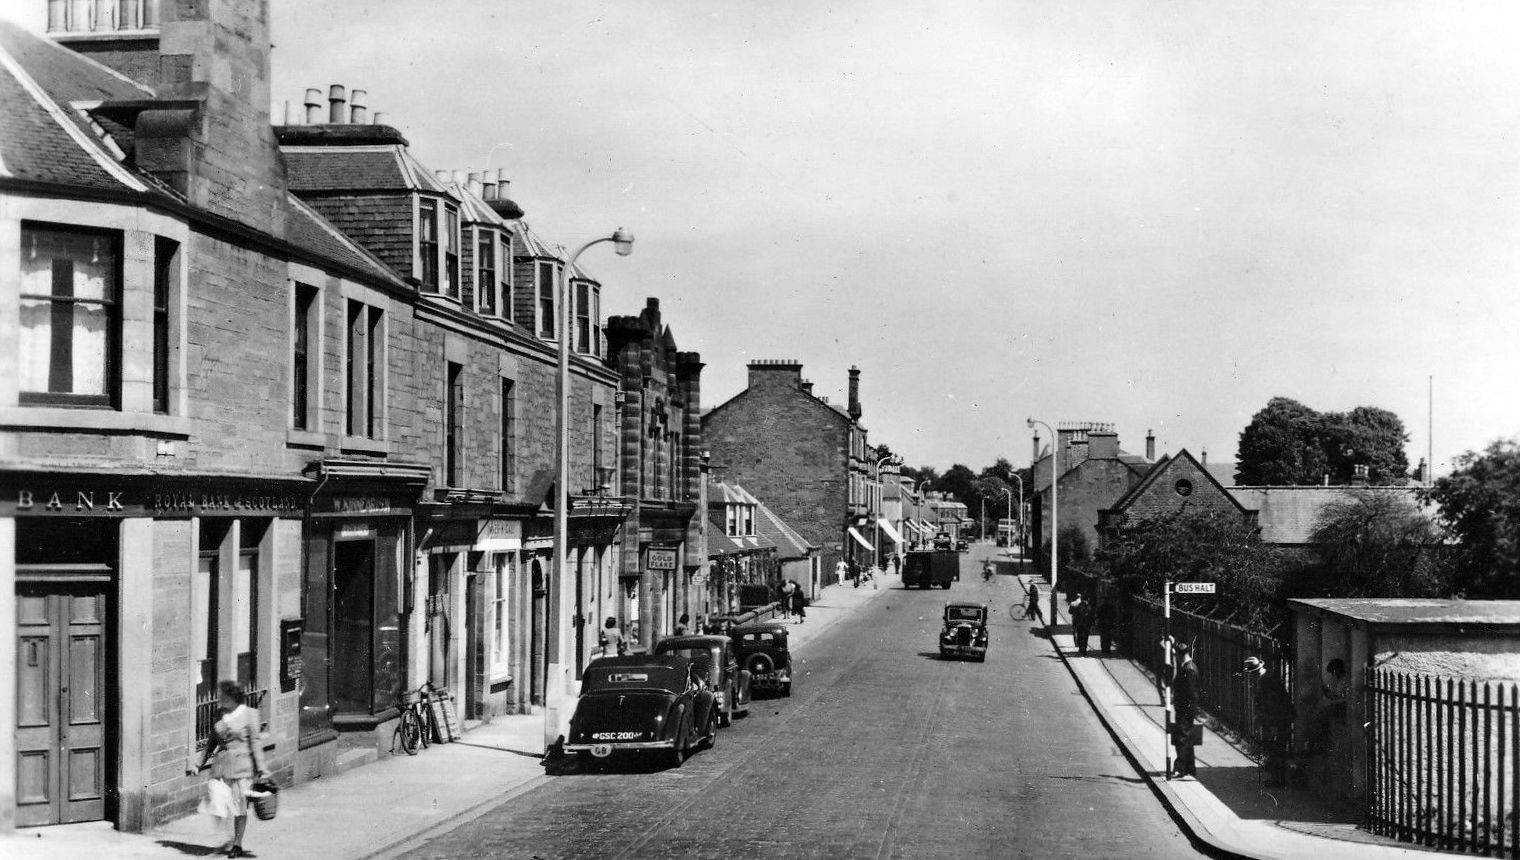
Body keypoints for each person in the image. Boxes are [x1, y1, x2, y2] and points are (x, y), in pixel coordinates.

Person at [194, 681, 269, 858]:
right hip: (220, 767)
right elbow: (211, 742)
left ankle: (237, 844)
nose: (221, 699)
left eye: (224, 696)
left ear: (233, 697)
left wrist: (262, 769)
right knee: (218, 803)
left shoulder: (250, 714)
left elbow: (256, 744)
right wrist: (198, 763)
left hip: (242, 768)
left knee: (239, 807)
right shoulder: (219, 715)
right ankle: (229, 837)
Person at [1244, 656, 1293, 787]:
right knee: (1275, 749)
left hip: (1278, 720)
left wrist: (1273, 725)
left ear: (1255, 671)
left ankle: (1279, 780)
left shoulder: (1268, 680)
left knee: (1277, 749)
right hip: (1276, 719)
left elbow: (1274, 704)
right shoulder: (1265, 678)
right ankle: (1277, 778)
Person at [1170, 641, 1199, 779]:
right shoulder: (1187, 666)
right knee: (1187, 737)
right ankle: (1190, 768)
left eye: (1176, 655)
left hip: (1185, 710)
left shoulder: (1189, 669)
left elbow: (1191, 693)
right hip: (1184, 709)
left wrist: (1189, 711)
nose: (1174, 657)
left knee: (1181, 738)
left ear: (1181, 655)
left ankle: (1180, 768)